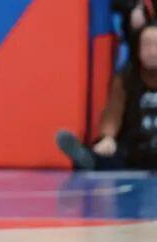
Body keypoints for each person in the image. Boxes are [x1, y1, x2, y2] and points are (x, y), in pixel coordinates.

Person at [57, 21, 157, 172]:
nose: (152, 51)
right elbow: (113, 112)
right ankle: (88, 159)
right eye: (147, 45)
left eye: (156, 45)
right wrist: (108, 137)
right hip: (135, 149)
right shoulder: (126, 78)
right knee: (109, 156)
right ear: (138, 49)